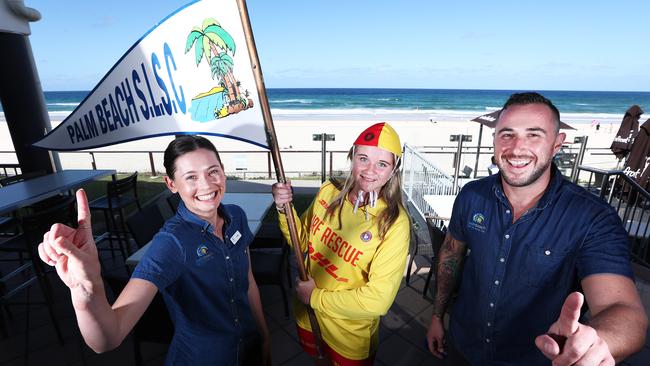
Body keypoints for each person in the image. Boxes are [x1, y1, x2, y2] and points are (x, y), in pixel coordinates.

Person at [425, 92, 648, 365]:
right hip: (464, 347)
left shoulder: (592, 218)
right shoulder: (472, 196)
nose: (517, 148)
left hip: (535, 359)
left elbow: (623, 309)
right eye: (507, 134)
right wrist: (437, 316)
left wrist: (600, 342)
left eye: (534, 135)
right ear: (495, 140)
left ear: (557, 144)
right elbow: (451, 255)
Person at [38, 135, 271, 365]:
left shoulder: (237, 216)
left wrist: (265, 338)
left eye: (213, 171)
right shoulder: (171, 242)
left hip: (250, 352)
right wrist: (87, 289)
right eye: (190, 177)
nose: (207, 184)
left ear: (222, 170)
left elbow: (248, 281)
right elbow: (107, 339)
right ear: (171, 184)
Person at [272, 122, 410, 365]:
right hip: (308, 314)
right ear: (351, 157)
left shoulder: (394, 223)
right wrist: (284, 207)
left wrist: (315, 297)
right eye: (363, 158)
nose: (370, 170)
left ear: (393, 170)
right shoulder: (328, 191)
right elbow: (302, 240)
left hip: (348, 335)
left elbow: (377, 300)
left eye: (382, 164)